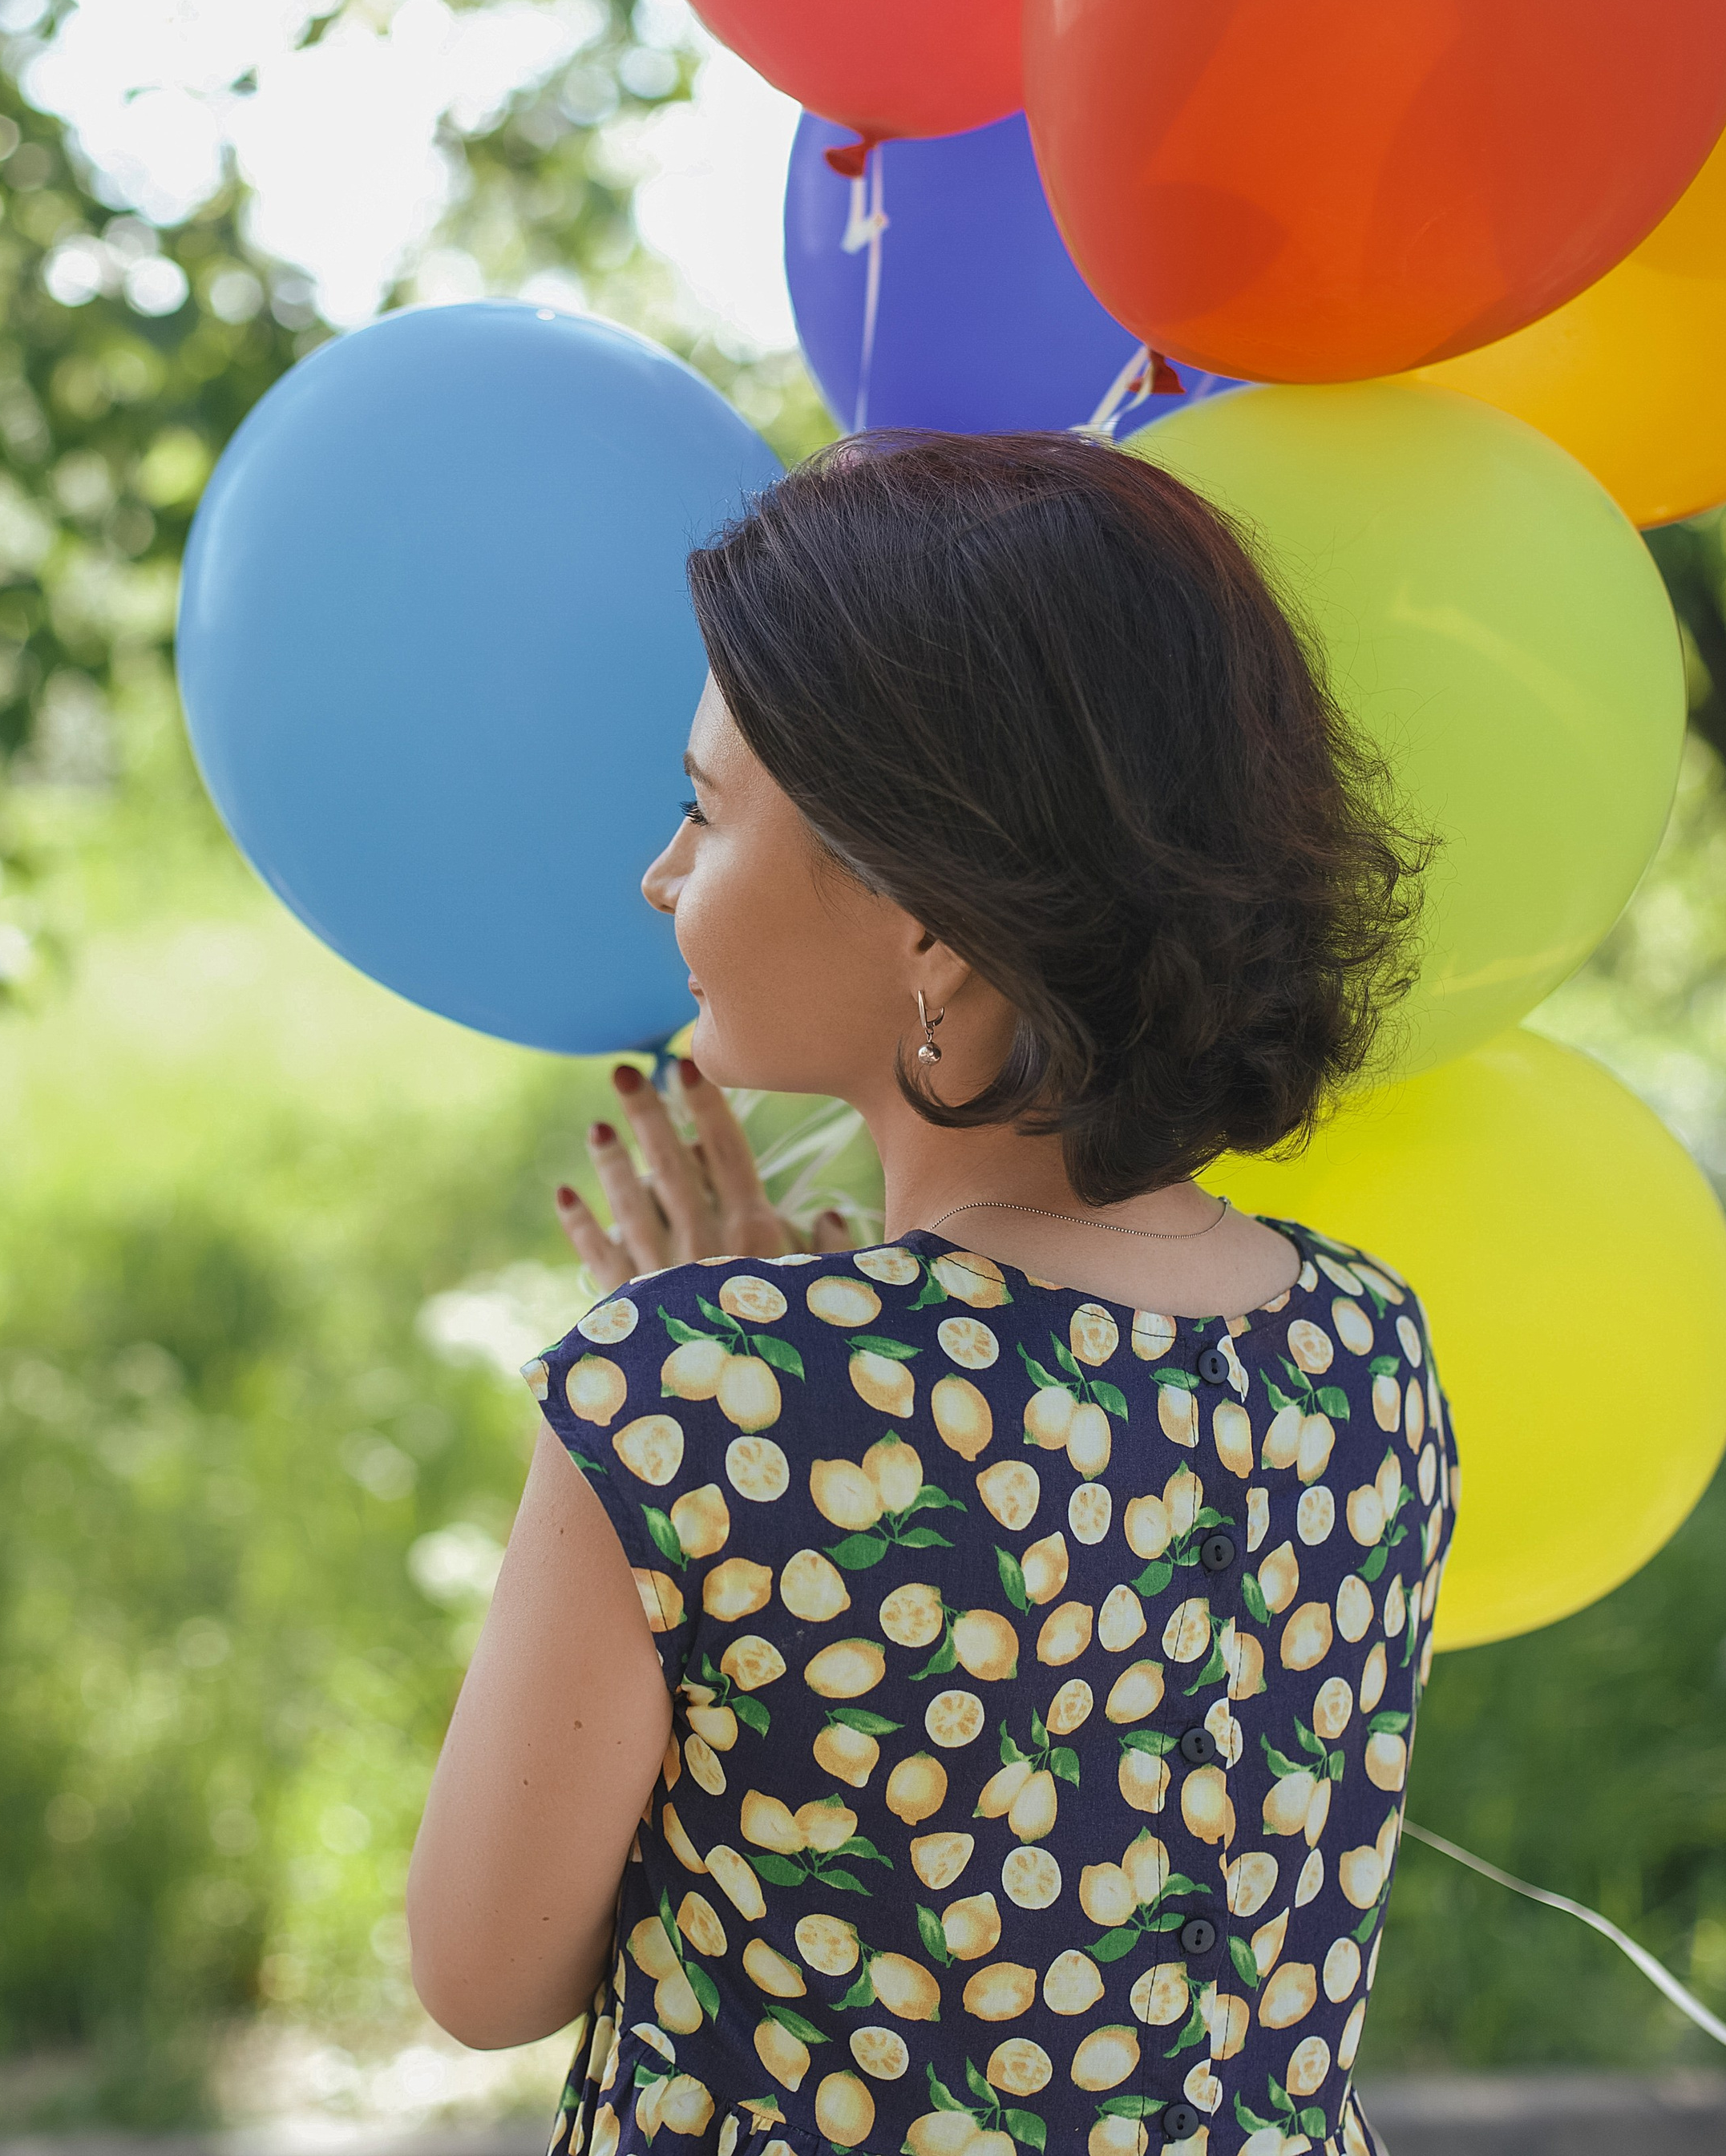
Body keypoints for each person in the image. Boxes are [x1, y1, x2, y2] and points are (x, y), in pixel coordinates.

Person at [408, 432, 1451, 2156]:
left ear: (929, 922)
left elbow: (483, 1972)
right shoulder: (1368, 1351)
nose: (660, 873)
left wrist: (722, 1385)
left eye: (704, 809)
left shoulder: (691, 1395)